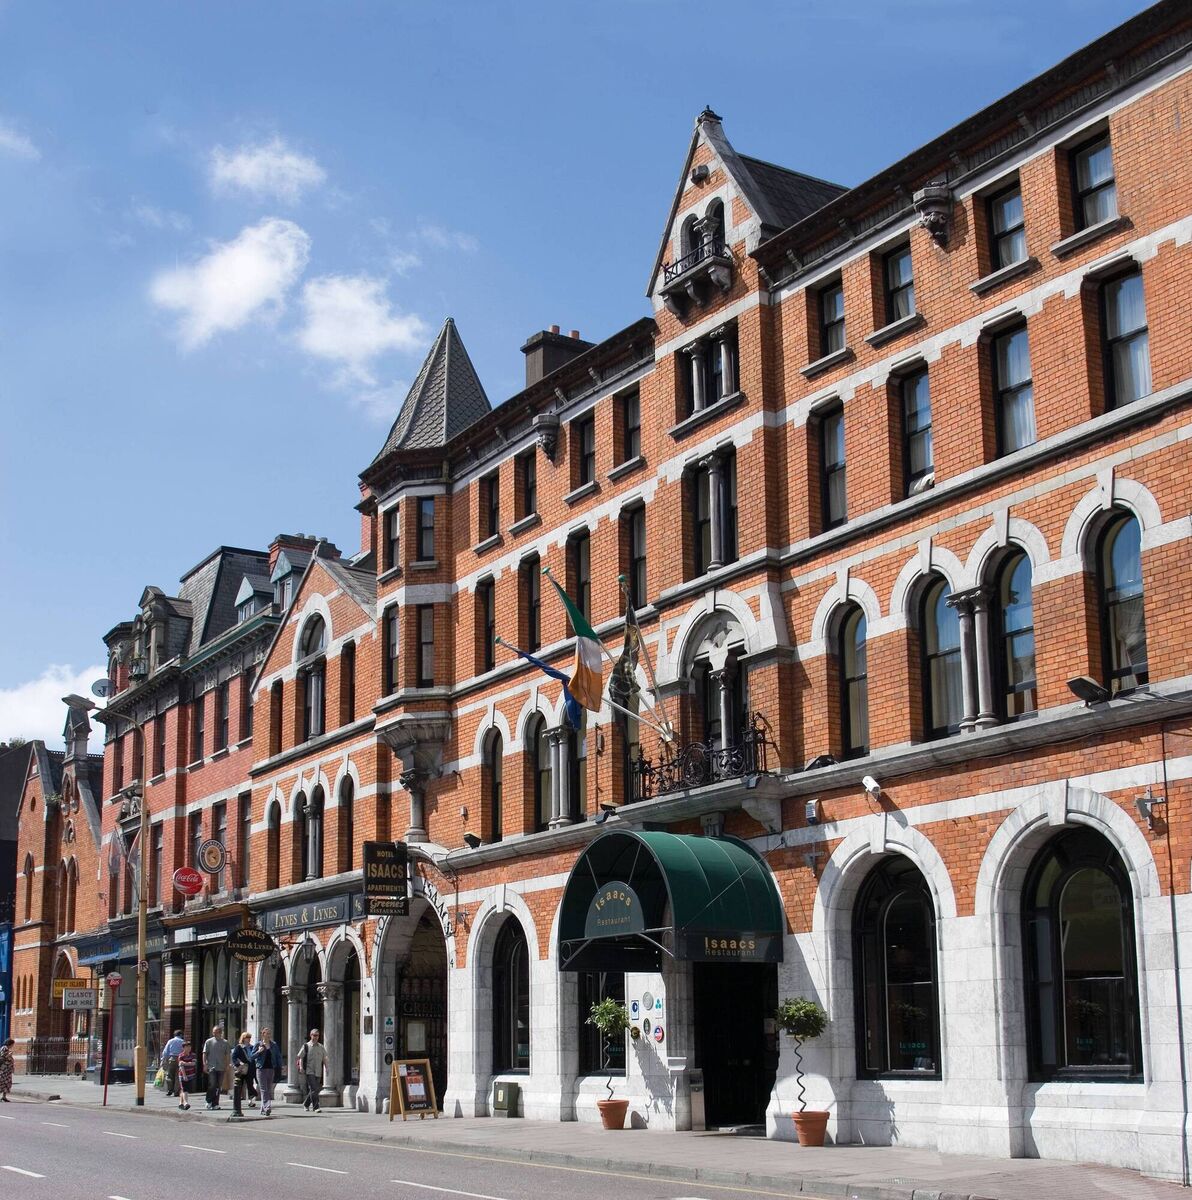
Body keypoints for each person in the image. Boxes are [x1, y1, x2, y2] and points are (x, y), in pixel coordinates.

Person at [252, 1027, 282, 1118]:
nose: (268, 1035)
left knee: (268, 1090)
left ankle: (263, 1109)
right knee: (264, 1089)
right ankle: (267, 1107)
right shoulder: (258, 1044)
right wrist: (258, 1051)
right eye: (267, 1033)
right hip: (261, 1069)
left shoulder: (274, 1045)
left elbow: (278, 1056)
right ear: (263, 1034)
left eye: (269, 1033)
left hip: (271, 1069)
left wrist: (280, 1066)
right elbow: (251, 1056)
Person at [295, 1027, 325, 1112]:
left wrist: (327, 1067)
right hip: (309, 1071)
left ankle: (306, 1104)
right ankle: (316, 1107)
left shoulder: (321, 1047)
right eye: (314, 1035)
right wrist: (301, 1067)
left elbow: (325, 1057)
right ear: (310, 1035)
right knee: (314, 1089)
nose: (315, 1037)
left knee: (314, 1089)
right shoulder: (306, 1046)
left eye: (317, 1035)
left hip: (318, 1071)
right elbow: (300, 1057)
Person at [201, 1024, 229, 1110]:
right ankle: (209, 1101)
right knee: (212, 1085)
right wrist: (205, 1064)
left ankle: (215, 1103)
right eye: (213, 1032)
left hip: (221, 1067)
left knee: (218, 1087)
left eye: (215, 1032)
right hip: (211, 1066)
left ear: (220, 1032)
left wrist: (227, 1065)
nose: (214, 1033)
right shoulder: (209, 1042)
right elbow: (205, 1053)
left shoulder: (225, 1042)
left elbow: (227, 1055)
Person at [231, 1032, 253, 1118]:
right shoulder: (239, 1047)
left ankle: (250, 1101)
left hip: (250, 1068)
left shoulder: (252, 1047)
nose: (248, 1039)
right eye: (247, 1037)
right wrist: (238, 1064)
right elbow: (234, 1057)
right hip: (242, 1069)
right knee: (239, 1084)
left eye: (249, 1038)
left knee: (250, 1084)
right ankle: (238, 1100)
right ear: (243, 1038)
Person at [160, 1029, 184, 1097]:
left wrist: (163, 1060)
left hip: (171, 1059)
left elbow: (165, 1052)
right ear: (181, 1035)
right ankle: (176, 1092)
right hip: (180, 1059)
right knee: (177, 1076)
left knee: (169, 1075)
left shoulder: (170, 1041)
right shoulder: (182, 1042)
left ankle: (170, 1090)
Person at [176, 1040, 197, 1111]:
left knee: (183, 1089)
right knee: (185, 1089)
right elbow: (181, 1066)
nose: (188, 1048)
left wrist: (184, 1063)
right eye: (187, 1047)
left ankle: (180, 1103)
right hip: (183, 1075)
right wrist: (184, 1076)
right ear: (183, 1048)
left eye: (189, 1047)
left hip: (191, 1074)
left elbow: (193, 1064)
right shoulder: (181, 1055)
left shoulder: (193, 1055)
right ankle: (186, 1103)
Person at [0, 1038, 14, 1102]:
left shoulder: (7, 1049)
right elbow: (1, 1057)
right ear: (9, 1043)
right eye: (12, 1044)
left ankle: (4, 1097)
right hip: (4, 1069)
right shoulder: (4, 1048)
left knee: (7, 1083)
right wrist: (9, 1055)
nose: (12, 1046)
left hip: (8, 1070)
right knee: (2, 1082)